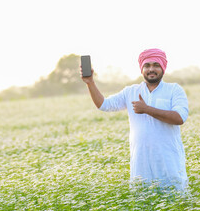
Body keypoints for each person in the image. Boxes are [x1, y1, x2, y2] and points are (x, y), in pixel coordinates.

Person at [80, 48, 189, 191]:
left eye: (156, 65)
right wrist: (90, 83)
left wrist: (147, 109)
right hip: (141, 164)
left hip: (168, 162)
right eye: (147, 65)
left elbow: (179, 118)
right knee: (142, 201)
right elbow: (104, 105)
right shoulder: (130, 91)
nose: (151, 69)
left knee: (175, 200)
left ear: (163, 67)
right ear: (141, 69)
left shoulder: (174, 90)